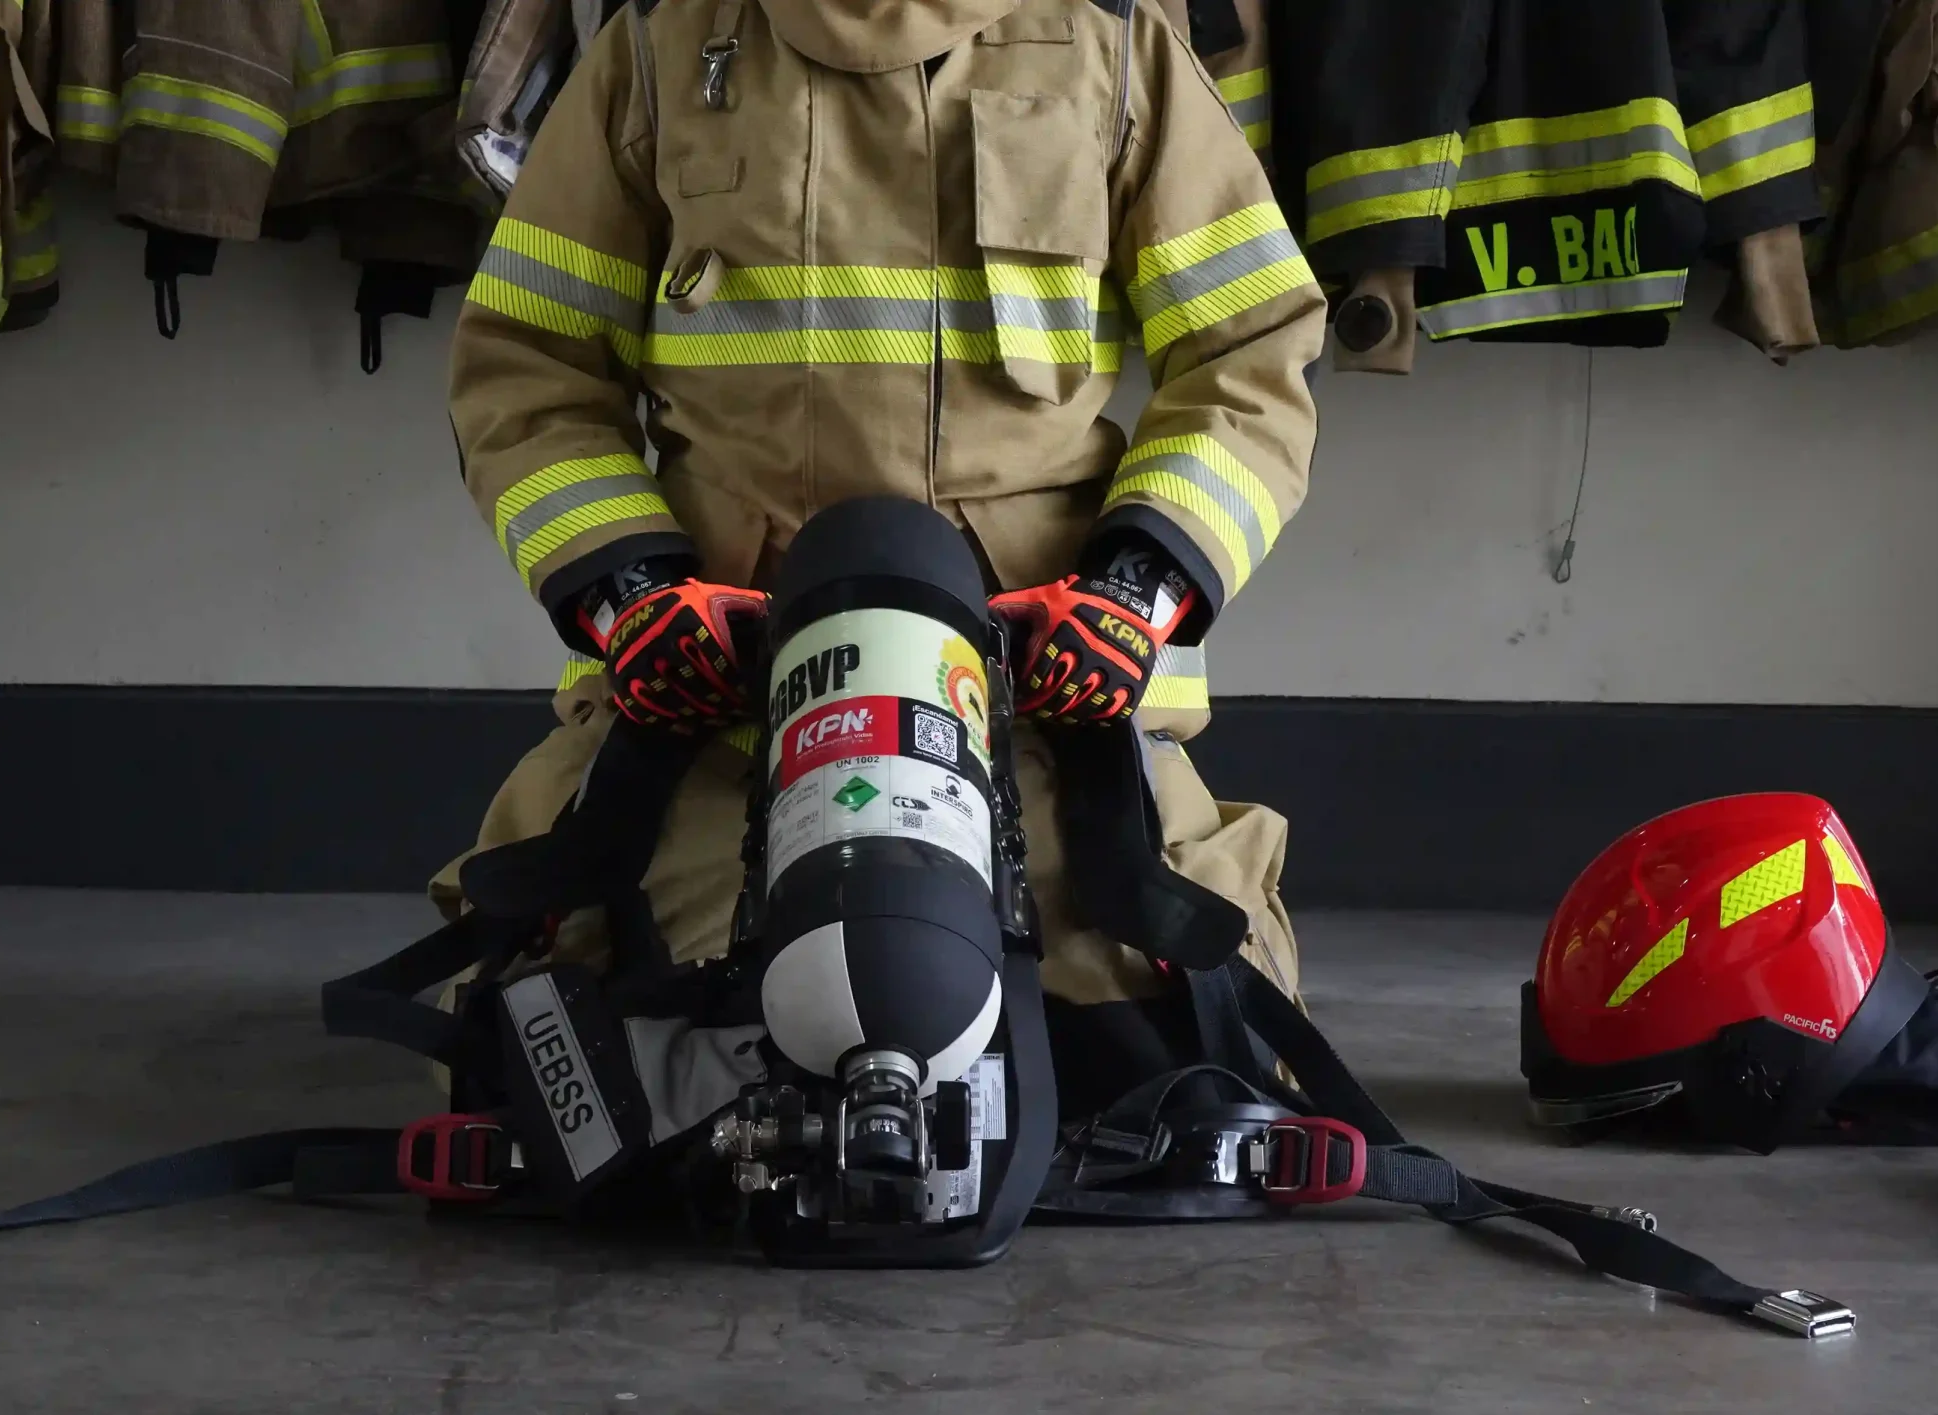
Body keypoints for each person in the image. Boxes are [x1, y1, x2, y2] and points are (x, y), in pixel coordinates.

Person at [440, 0, 1324, 1104]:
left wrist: (1135, 591)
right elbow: (529, 360)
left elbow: (1250, 351)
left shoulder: (1113, 42)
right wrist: (631, 594)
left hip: (1036, 706)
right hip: (723, 710)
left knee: (1196, 1039)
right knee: (550, 1030)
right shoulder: (662, 49)